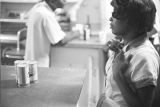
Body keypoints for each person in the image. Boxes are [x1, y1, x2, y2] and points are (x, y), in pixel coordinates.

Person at [97, 0, 160, 107]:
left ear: (133, 21)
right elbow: (110, 79)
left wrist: (118, 76)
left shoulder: (144, 56)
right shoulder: (125, 46)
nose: (110, 18)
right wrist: (105, 53)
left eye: (115, 14)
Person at [25, 0, 80, 67]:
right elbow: (61, 40)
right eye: (63, 0)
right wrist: (76, 33)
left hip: (30, 61)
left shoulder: (38, 8)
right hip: (40, 64)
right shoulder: (46, 15)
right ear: (52, 2)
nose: (65, 2)